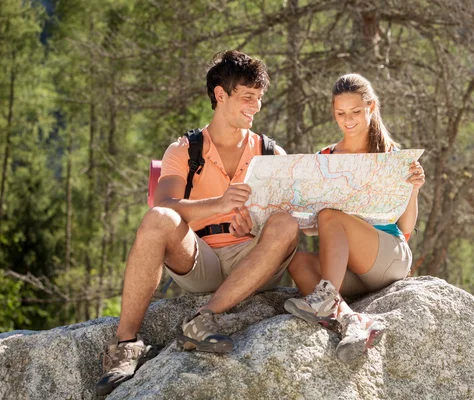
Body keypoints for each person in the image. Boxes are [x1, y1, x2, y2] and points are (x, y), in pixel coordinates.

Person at [96, 50, 299, 396]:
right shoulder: (184, 150)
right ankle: (126, 345)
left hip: (253, 261)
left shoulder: (270, 153)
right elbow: (165, 206)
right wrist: (218, 204)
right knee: (159, 218)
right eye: (248, 97)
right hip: (199, 261)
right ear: (220, 95)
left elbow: (288, 219)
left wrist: (253, 225)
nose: (256, 106)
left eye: (259, 98)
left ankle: (201, 320)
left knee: (286, 224)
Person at [284, 73, 425, 362]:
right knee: (297, 260)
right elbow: (314, 230)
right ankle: (351, 322)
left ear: (371, 108)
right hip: (348, 270)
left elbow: (406, 227)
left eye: (356, 112)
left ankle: (324, 300)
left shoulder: (392, 156)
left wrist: (414, 190)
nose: (348, 120)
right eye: (341, 113)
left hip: (388, 258)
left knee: (331, 216)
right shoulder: (324, 158)